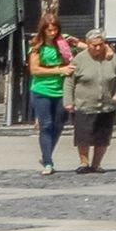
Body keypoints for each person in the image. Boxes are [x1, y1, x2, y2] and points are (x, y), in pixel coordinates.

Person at [66, 29, 116, 172]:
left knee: (102, 137)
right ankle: (84, 163)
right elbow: (69, 82)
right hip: (84, 103)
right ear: (87, 44)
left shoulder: (111, 57)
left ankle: (96, 164)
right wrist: (68, 101)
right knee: (83, 136)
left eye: (101, 44)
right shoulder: (79, 59)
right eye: (94, 45)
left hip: (106, 104)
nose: (98, 48)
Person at [26, 11, 73, 176]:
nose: (52, 33)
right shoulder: (37, 45)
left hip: (61, 91)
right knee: (46, 125)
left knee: (59, 125)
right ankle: (47, 162)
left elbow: (86, 45)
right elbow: (34, 70)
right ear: (43, 30)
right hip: (42, 90)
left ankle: (47, 153)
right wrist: (59, 69)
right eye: (49, 30)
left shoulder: (63, 43)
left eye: (55, 30)